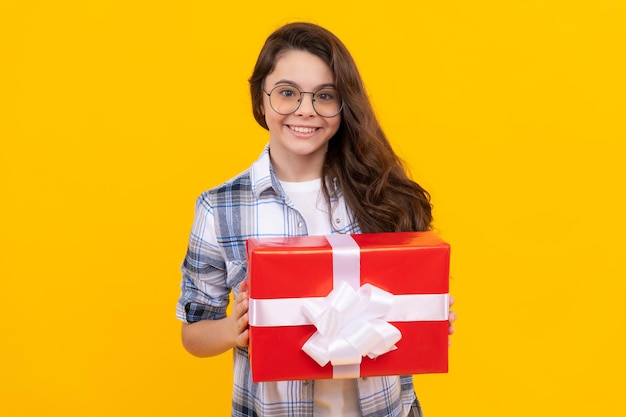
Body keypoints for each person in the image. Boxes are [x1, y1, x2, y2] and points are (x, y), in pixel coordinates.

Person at [176, 21, 456, 417]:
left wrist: (427, 315)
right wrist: (233, 328)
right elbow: (193, 333)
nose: (305, 110)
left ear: (343, 106)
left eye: (324, 96)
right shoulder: (219, 207)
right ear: (261, 100)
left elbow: (405, 313)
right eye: (287, 93)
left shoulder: (379, 194)